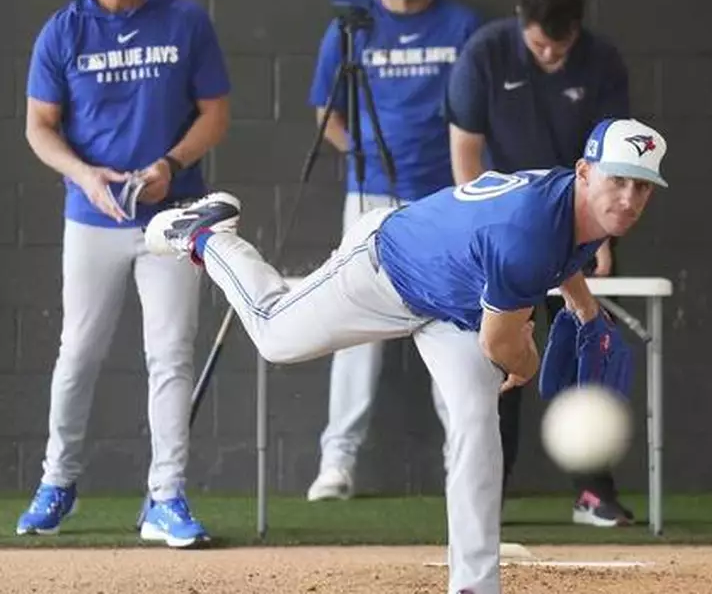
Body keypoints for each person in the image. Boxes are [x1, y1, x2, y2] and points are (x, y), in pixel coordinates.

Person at [143, 118, 667, 594]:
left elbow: (559, 257)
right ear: (584, 172)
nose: (626, 198)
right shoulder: (529, 229)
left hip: (454, 304)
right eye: (616, 180)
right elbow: (498, 343)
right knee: (275, 336)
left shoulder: (574, 206)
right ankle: (205, 235)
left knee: (476, 422)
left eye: (640, 186)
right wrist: (525, 364)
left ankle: (475, 585)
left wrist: (585, 308)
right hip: (385, 269)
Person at [15, 0, 231, 547]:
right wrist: (84, 176)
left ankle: (166, 497)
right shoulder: (63, 31)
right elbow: (39, 127)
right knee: (78, 353)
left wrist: (171, 165)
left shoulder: (184, 19)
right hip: (93, 220)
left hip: (171, 215)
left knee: (170, 354)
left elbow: (216, 112)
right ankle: (56, 483)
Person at [443, 0, 633, 526]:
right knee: (499, 360)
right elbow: (465, 155)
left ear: (577, 32)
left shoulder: (603, 63)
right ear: (521, 26)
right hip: (507, 232)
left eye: (560, 45)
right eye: (538, 44)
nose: (549, 54)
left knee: (587, 351)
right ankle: (486, 496)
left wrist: (603, 238)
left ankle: (593, 493)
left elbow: (615, 167)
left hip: (578, 226)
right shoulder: (483, 55)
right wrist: (477, 235)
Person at [305, 0, 480, 502]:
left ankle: (464, 462)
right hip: (369, 197)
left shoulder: (462, 25)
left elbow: (478, 110)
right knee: (354, 331)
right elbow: (325, 112)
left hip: (443, 197)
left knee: (457, 327)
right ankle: (337, 464)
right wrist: (362, 158)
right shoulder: (350, 28)